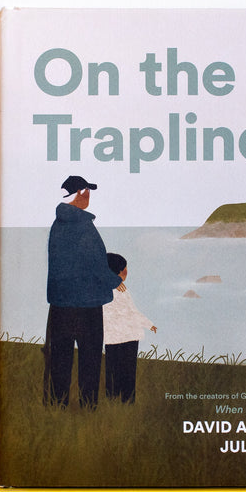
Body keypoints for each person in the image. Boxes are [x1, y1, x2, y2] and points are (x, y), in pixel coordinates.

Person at [45, 175, 125, 409]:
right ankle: (88, 408)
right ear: (80, 194)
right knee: (90, 359)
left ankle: (57, 406)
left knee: (60, 359)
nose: (89, 197)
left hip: (60, 304)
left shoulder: (57, 225)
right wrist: (115, 280)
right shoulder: (84, 226)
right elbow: (96, 265)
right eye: (87, 192)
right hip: (87, 305)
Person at [103, 253, 156, 403]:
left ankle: (115, 399)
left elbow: (131, 312)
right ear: (119, 271)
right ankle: (125, 400)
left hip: (115, 336)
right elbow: (132, 312)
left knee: (115, 368)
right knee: (126, 370)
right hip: (127, 336)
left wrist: (148, 324)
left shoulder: (108, 290)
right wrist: (148, 324)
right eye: (125, 268)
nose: (127, 271)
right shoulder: (119, 290)